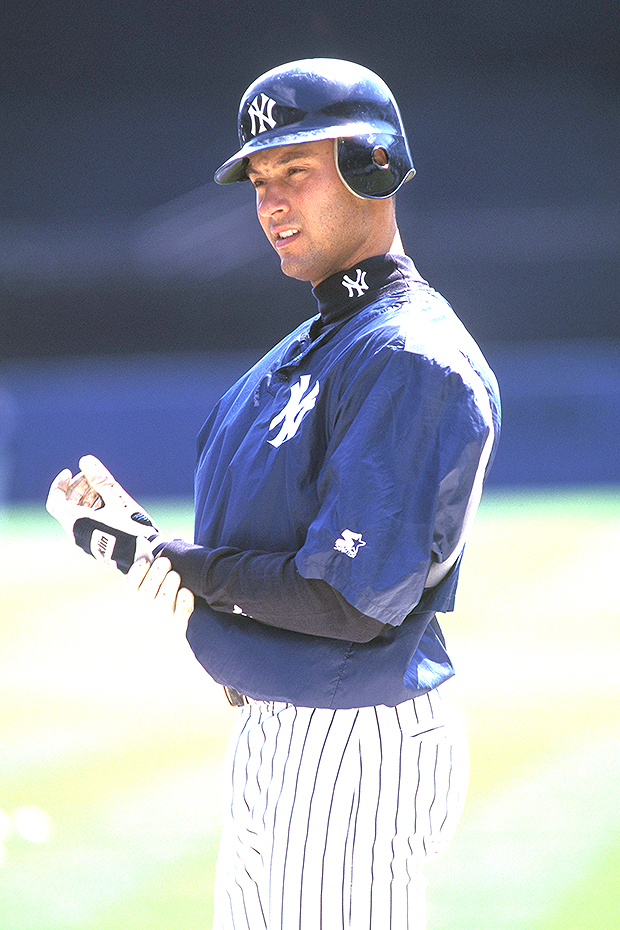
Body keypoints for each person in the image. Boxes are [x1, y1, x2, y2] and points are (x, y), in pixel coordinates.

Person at [47, 58, 501, 930]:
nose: (269, 203)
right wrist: (150, 544)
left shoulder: (408, 355)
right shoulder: (318, 345)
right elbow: (267, 553)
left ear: (373, 166)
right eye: (259, 179)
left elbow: (344, 600)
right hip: (286, 727)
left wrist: (171, 563)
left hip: (352, 743)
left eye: (295, 169)